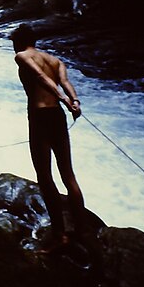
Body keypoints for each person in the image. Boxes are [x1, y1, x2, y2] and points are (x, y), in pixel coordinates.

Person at [11, 24, 86, 249]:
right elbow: (65, 81)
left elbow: (40, 76)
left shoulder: (21, 56)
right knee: (68, 175)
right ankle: (81, 230)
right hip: (58, 116)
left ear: (19, 41)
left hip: (40, 117)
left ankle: (59, 233)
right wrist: (74, 101)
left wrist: (63, 99)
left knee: (45, 177)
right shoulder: (56, 60)